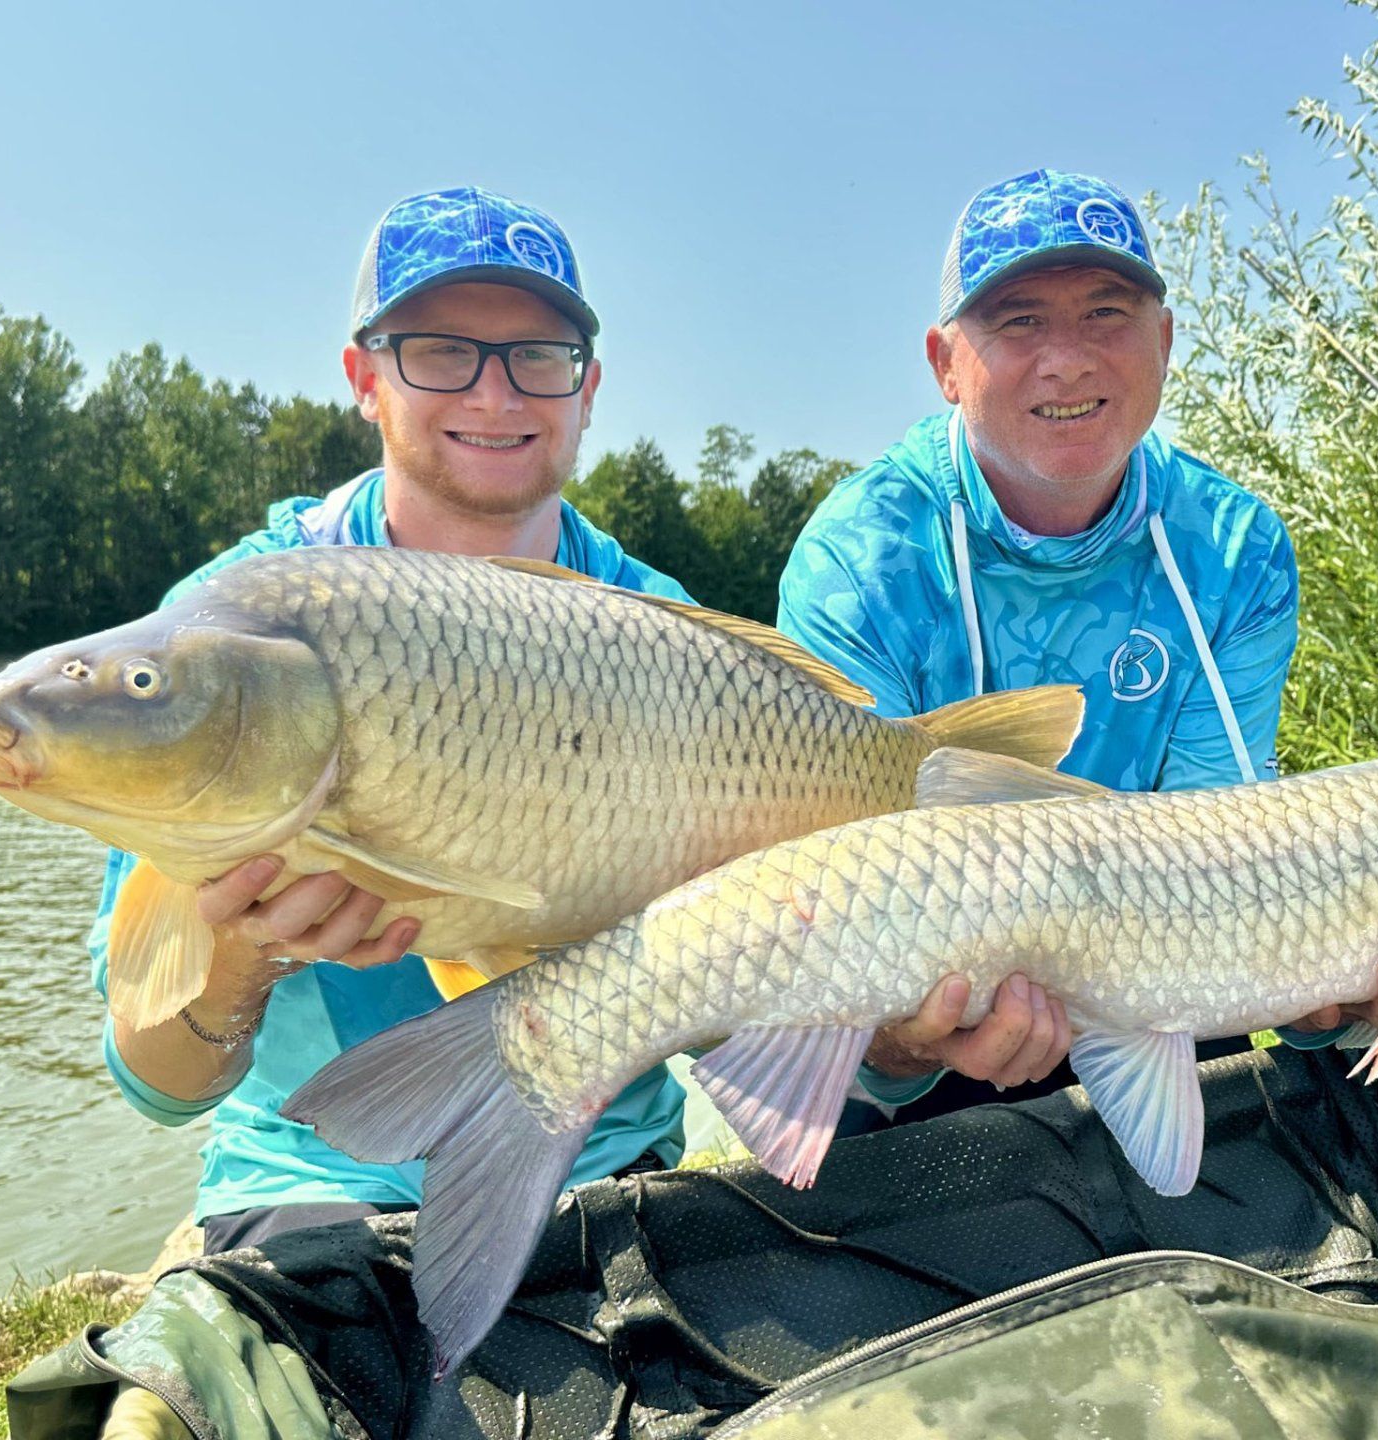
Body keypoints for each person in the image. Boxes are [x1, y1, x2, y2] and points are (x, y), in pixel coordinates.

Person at [91, 186, 1042, 1253]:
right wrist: (242, 956)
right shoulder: (223, 634)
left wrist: (901, 1033)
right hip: (313, 1178)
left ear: (588, 389)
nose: (495, 392)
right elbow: (158, 1087)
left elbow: (750, 1019)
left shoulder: (671, 637)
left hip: (603, 1160)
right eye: (442, 352)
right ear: (364, 378)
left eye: (539, 356)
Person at [780, 169, 1378, 1118]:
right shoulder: (856, 559)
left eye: (1106, 313)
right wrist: (899, 1050)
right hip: (937, 988)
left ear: (1165, 341)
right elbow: (843, 896)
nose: (1067, 361)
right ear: (945, 364)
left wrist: (1330, 991)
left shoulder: (1235, 548)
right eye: (1018, 321)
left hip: (1181, 967)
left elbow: (1237, 874)